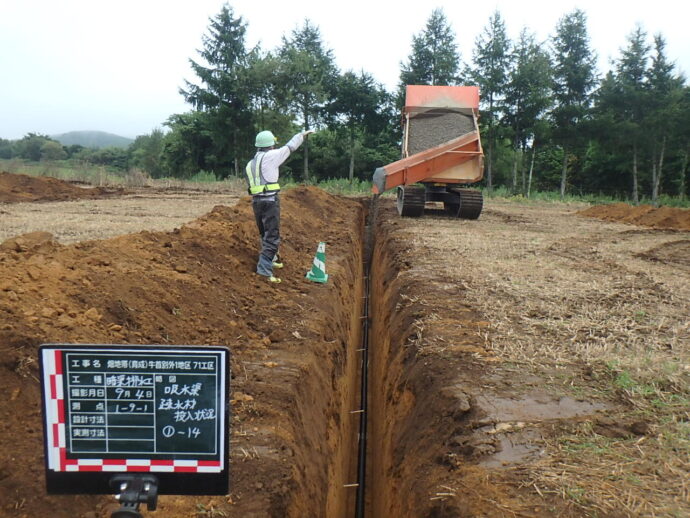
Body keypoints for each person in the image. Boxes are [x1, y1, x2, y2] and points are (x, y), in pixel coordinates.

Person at [245, 129, 315, 283]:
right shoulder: (271, 156)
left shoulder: (251, 163)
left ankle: (271, 259)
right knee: (272, 236)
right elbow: (289, 147)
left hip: (256, 202)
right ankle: (264, 270)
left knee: (264, 233)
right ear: (270, 145)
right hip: (270, 202)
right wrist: (301, 135)